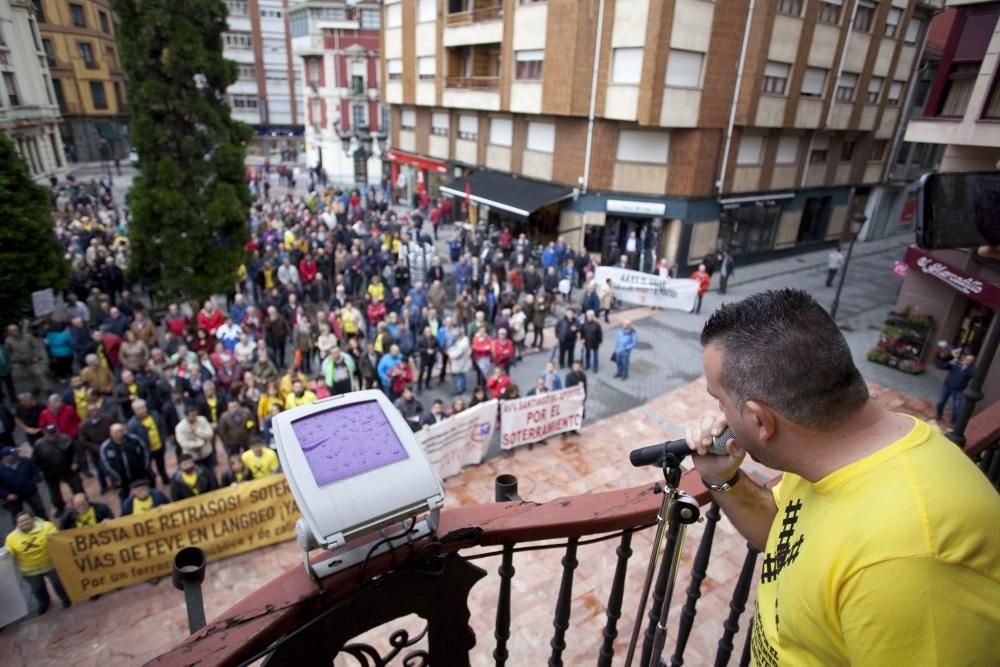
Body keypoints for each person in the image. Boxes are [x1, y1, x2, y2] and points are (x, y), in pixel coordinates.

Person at [683, 288, 1000, 665]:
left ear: (758, 420)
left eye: (718, 399)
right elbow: (781, 531)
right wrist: (724, 480)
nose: (718, 413)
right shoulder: (835, 448)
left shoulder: (910, 560)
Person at [4, 512, 71, 613]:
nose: (24, 523)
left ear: (33, 519)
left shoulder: (47, 527)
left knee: (57, 583)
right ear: (17, 524)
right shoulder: (11, 538)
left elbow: (57, 537)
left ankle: (65, 599)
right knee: (37, 589)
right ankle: (44, 603)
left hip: (50, 564)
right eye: (21, 521)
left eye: (26, 519)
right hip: (30, 570)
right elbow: (9, 552)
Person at [33, 424, 83, 515]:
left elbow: (76, 452)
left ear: (58, 431)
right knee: (55, 493)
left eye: (54, 432)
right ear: (45, 434)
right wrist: (40, 471)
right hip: (50, 472)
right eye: (50, 433)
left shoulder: (66, 439)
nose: (52, 435)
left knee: (77, 487)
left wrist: (75, 462)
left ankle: (82, 502)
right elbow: (35, 460)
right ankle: (60, 508)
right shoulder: (39, 444)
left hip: (67, 469)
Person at [100, 423, 151, 508]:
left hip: (138, 476)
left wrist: (144, 469)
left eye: (120, 431)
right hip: (121, 480)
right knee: (125, 501)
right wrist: (116, 478)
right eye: (116, 432)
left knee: (143, 494)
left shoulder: (134, 440)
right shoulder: (106, 447)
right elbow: (105, 465)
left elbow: (145, 453)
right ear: (111, 433)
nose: (119, 434)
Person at [127, 399, 169, 487]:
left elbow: (162, 426)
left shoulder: (155, 414)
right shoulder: (132, 425)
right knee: (148, 469)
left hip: (159, 446)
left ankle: (165, 479)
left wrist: (164, 438)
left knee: (161, 465)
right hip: (146, 452)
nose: (142, 411)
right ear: (134, 411)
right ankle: (152, 485)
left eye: (143, 408)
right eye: (139, 409)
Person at [0, 446, 46, 517]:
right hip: (13, 496)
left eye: (15, 453)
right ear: (5, 458)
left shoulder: (24, 460)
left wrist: (34, 481)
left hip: (30, 492)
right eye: (12, 455)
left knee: (40, 511)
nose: (15, 456)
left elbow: (34, 470)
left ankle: (46, 525)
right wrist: (6, 494)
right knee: (17, 516)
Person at [936, 353, 976, 424]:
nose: (968, 361)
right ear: (964, 359)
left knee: (957, 408)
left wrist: (966, 368)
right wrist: (949, 362)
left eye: (970, 360)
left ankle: (953, 421)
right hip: (947, 387)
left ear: (973, 362)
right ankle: (939, 415)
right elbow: (941, 366)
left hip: (959, 390)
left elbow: (975, 375)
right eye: (967, 359)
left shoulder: (972, 369)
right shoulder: (956, 364)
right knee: (940, 402)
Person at [447, 330, 471, 395]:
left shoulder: (462, 345)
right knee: (462, 375)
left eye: (455, 336)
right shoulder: (465, 339)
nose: (455, 338)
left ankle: (460, 389)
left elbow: (454, 356)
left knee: (459, 377)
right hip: (462, 362)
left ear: (459, 336)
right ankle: (463, 387)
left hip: (459, 363)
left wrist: (449, 352)